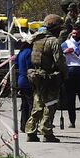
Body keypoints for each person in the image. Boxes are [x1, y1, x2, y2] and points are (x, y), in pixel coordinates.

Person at [26, 14, 67, 143]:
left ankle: (31, 131)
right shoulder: (53, 41)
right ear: (54, 27)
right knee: (51, 104)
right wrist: (65, 74)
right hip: (50, 77)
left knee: (38, 105)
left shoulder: (37, 39)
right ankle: (47, 132)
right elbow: (59, 60)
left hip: (37, 76)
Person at [14, 40, 34, 134]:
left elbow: (16, 64)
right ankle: (30, 126)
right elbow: (30, 66)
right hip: (28, 80)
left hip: (21, 80)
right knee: (31, 104)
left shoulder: (21, 52)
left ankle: (23, 125)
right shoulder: (30, 52)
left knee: (24, 104)